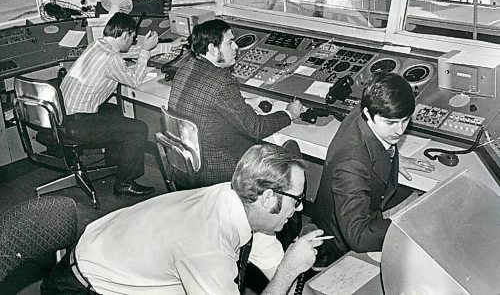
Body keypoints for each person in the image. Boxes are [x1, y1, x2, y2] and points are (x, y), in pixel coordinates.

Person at [41, 143, 325, 295]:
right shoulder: (207, 243)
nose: (298, 210)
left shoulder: (241, 200)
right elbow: (284, 274)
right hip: (80, 286)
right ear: (267, 199)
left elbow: (284, 276)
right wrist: (289, 270)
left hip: (113, 250)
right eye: (296, 200)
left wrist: (289, 271)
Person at [312, 71, 434, 264]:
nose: (400, 131)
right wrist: (413, 227)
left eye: (405, 121)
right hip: (339, 248)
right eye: (391, 123)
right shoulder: (350, 164)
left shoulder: (370, 108)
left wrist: (394, 156)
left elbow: (379, 136)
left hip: (369, 207)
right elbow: (358, 235)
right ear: (368, 113)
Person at [60, 12, 184, 197]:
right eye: (133, 38)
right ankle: (124, 183)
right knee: (138, 129)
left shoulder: (98, 45)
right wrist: (145, 52)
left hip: (62, 114)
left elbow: (128, 51)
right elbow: (134, 80)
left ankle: (115, 163)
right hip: (78, 122)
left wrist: (167, 46)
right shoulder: (112, 59)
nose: (134, 42)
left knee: (113, 111)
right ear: (125, 35)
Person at [168, 18, 303, 186]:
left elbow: (205, 99)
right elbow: (256, 128)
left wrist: (246, 101)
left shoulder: (186, 67)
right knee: (286, 151)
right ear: (212, 49)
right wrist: (289, 113)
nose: (236, 47)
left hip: (185, 165)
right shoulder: (222, 82)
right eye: (230, 43)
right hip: (215, 171)